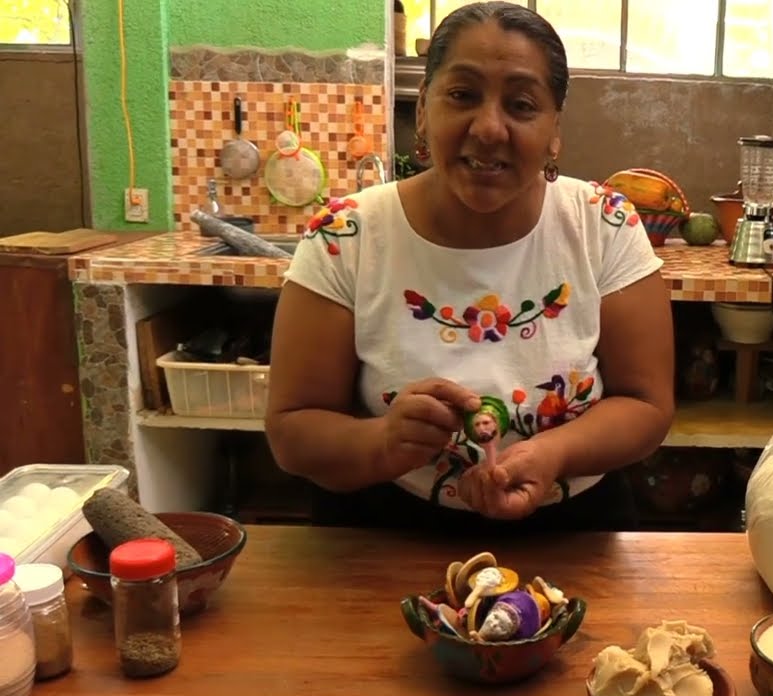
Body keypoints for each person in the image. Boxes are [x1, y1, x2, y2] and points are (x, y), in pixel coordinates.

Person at [264, 0, 675, 534]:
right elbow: (292, 431)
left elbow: (646, 405)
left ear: (555, 132)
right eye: (462, 95)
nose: (488, 128)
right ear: (425, 109)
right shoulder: (349, 236)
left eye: (522, 106)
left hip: (570, 534)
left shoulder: (603, 224)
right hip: (383, 536)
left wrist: (552, 453)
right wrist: (383, 442)